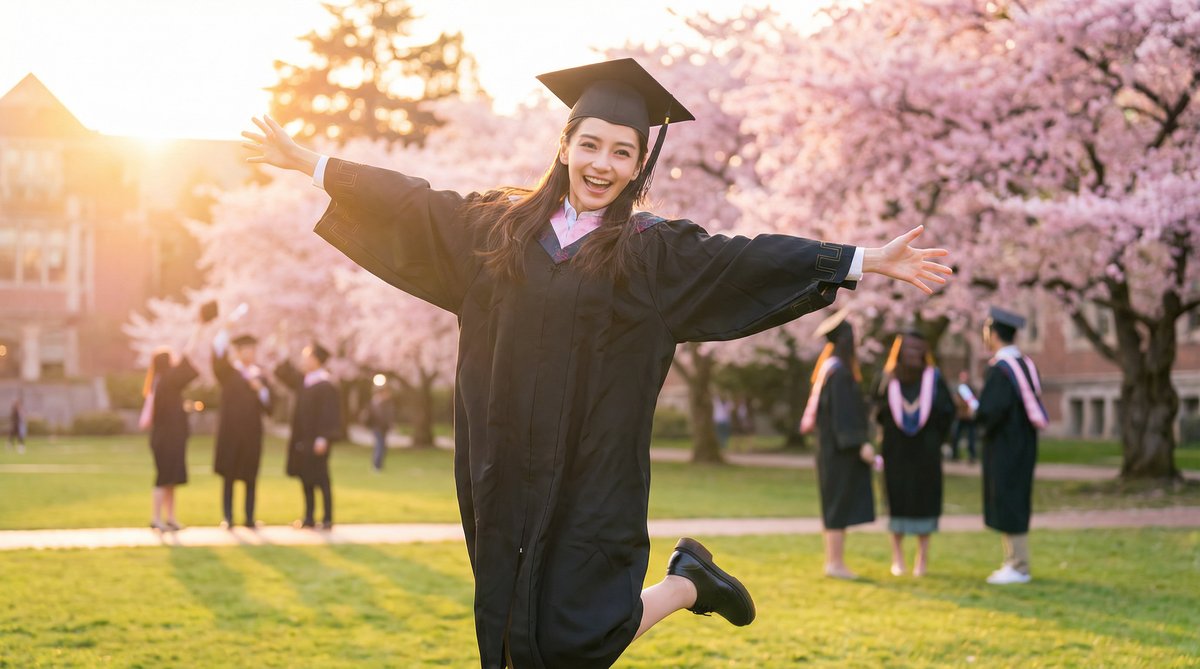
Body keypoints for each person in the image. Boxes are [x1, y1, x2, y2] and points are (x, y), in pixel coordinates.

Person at [242, 57, 951, 667]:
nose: (602, 164)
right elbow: (416, 206)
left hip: (592, 474)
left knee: (579, 640)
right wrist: (311, 162)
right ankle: (689, 582)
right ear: (564, 144)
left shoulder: (652, 255)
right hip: (505, 465)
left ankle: (687, 585)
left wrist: (857, 260)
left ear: (640, 163)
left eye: (622, 152)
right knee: (515, 631)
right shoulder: (500, 231)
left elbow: (743, 259)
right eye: (591, 145)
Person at [972, 306, 1046, 585]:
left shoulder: (1001, 369)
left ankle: (1017, 565)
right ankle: (1014, 562)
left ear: (992, 334)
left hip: (1005, 446)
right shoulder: (1027, 364)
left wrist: (975, 414)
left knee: (1009, 499)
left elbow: (991, 411)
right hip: (1024, 443)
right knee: (1017, 497)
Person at [800, 307, 877, 579]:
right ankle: (834, 563)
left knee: (833, 502)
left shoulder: (827, 370)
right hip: (840, 451)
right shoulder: (840, 373)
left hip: (829, 449)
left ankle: (834, 561)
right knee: (837, 504)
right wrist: (860, 444)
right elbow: (844, 416)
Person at [874, 331, 955, 577]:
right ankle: (897, 556)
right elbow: (877, 410)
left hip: (926, 453)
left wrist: (936, 440)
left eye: (917, 349)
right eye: (908, 349)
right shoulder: (889, 379)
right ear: (899, 352)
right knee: (897, 500)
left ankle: (922, 558)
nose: (913, 354)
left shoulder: (934, 378)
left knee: (924, 501)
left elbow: (946, 412)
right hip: (896, 452)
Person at [275, 342, 341, 530]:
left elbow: (329, 415)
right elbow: (283, 375)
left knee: (321, 478)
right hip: (303, 439)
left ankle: (327, 517)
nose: (303, 361)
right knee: (306, 478)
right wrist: (281, 354)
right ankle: (309, 517)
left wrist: (323, 438)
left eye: (307, 357)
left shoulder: (326, 384)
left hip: (318, 439)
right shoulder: (305, 381)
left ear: (316, 360)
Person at [212, 330, 273, 529]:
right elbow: (218, 359)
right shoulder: (229, 373)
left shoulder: (259, 376)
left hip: (252, 434)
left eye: (253, 350)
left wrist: (261, 390)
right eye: (247, 350)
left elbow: (270, 406)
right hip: (231, 433)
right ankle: (228, 517)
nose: (251, 354)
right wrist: (224, 333)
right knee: (229, 477)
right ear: (237, 352)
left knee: (250, 477)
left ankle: (249, 517)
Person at [140, 347, 199, 532]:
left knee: (171, 480)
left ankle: (170, 518)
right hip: (166, 439)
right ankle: (156, 518)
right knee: (163, 478)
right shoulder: (166, 380)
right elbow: (186, 366)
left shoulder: (160, 383)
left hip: (168, 438)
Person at [950, 370, 979, 463]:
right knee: (955, 436)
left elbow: (974, 402)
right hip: (959, 416)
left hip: (969, 417)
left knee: (971, 438)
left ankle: (972, 456)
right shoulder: (957, 388)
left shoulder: (971, 388)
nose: (964, 379)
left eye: (966, 377)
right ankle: (954, 455)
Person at [365, 385, 395, 471]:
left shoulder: (386, 403)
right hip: (378, 427)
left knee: (382, 446)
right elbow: (377, 416)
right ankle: (376, 465)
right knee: (379, 445)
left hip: (383, 427)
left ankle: (379, 464)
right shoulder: (377, 402)